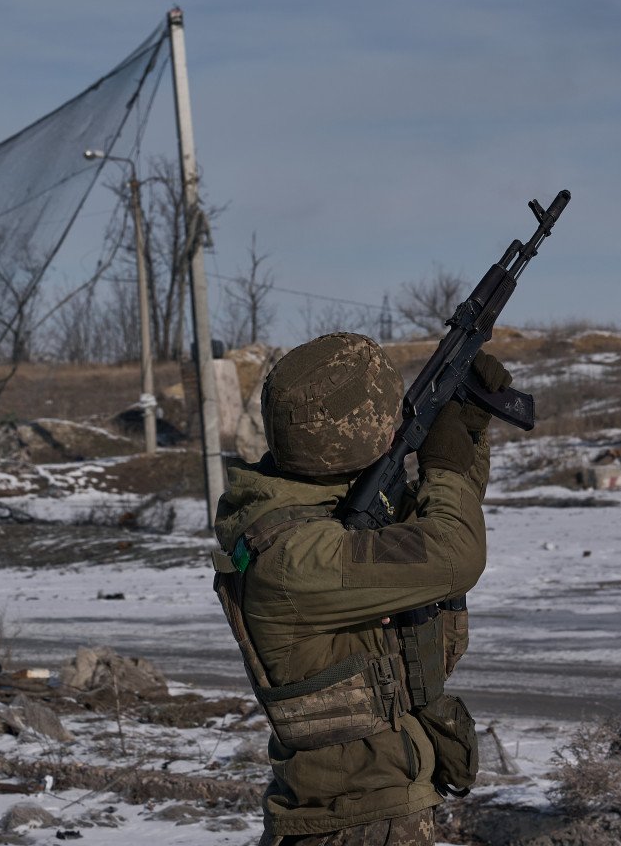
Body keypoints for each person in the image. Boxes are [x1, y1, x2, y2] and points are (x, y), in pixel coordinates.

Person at [213, 331, 510, 846]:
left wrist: (467, 432)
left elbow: (427, 544)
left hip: (373, 814)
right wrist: (442, 464)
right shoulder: (297, 557)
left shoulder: (327, 517)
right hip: (350, 826)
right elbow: (450, 557)